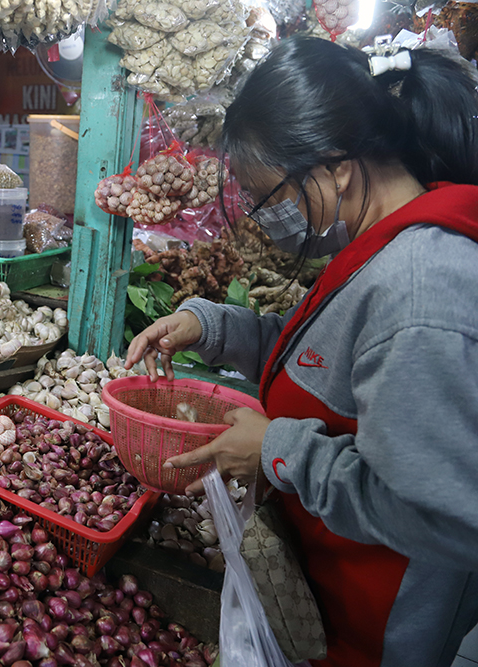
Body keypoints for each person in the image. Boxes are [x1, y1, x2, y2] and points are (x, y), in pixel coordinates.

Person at [125, 36, 478, 667]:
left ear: (336, 166)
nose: (269, 223)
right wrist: (208, 325)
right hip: (327, 611)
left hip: (382, 634)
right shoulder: (379, 250)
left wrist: (278, 452)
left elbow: (437, 512)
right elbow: (320, 365)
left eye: (274, 198)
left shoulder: (424, 287)